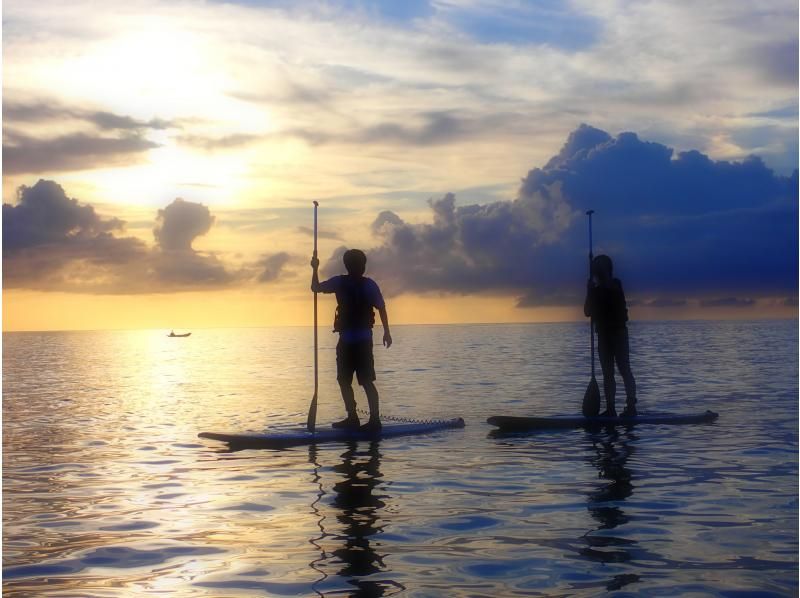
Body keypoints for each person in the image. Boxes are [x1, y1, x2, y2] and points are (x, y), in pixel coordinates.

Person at [311, 249, 392, 431]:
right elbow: (315, 288)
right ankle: (352, 417)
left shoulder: (368, 285)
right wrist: (314, 268)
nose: (361, 268)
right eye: (358, 265)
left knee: (365, 381)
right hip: (347, 341)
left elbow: (381, 307)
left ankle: (374, 420)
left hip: (361, 341)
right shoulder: (340, 282)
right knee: (344, 380)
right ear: (350, 266)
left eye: (362, 265)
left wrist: (387, 332)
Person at [584, 255, 637, 417]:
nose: (597, 273)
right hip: (603, 336)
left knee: (623, 369)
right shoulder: (596, 290)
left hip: (618, 334)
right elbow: (587, 312)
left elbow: (610, 291)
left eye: (599, 269)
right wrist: (589, 291)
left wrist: (595, 289)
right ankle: (611, 408)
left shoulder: (615, 285)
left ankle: (631, 406)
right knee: (607, 373)